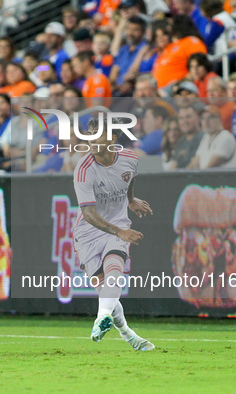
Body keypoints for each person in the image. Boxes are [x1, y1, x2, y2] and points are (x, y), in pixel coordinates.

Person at [72, 115, 154, 350]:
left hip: (117, 227)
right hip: (88, 233)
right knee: (107, 292)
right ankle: (129, 335)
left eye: (98, 137)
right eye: (90, 138)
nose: (92, 143)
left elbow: (129, 179)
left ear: (113, 138)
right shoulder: (83, 170)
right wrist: (120, 231)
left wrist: (131, 200)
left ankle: (100, 319)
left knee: (114, 268)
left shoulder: (129, 158)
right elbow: (88, 213)